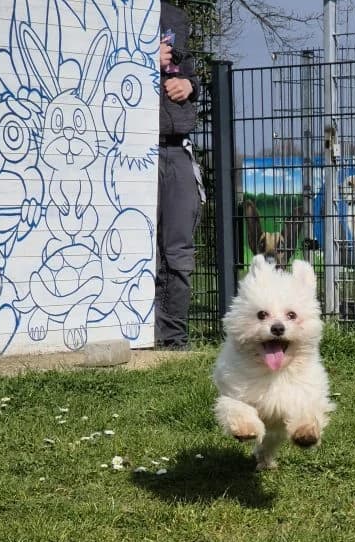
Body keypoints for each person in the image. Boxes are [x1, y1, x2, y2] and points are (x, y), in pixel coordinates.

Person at [156, 1, 204, 351]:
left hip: (177, 148)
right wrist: (142, 59)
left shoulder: (175, 16)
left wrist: (191, 85)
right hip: (130, 149)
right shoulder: (109, 13)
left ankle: (173, 341)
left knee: (178, 252)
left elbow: (186, 67)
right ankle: (143, 334)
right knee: (142, 252)